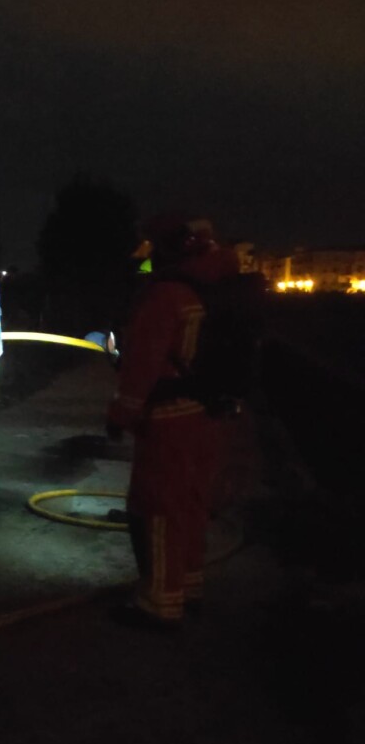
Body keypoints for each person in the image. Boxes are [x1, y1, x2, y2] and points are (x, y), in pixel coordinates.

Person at [105, 214, 241, 629]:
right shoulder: (217, 288)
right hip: (210, 414)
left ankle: (159, 604)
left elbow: (143, 364)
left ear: (167, 248)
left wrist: (121, 415)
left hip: (169, 419)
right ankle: (188, 586)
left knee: (158, 509)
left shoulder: (165, 295)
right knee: (193, 503)